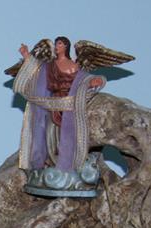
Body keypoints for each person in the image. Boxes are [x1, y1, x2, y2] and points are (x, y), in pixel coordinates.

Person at [13, 37, 106, 197]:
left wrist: (93, 81)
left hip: (70, 105)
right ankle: (51, 163)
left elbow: (83, 78)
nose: (57, 46)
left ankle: (68, 167)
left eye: (60, 44)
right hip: (53, 104)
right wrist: (26, 54)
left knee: (70, 135)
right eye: (56, 44)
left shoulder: (74, 65)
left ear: (66, 46)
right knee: (50, 134)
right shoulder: (50, 66)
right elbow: (37, 69)